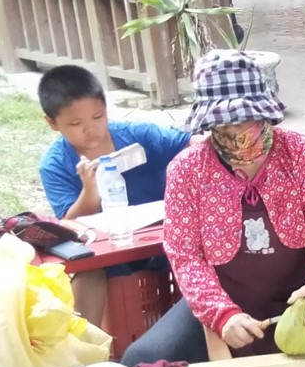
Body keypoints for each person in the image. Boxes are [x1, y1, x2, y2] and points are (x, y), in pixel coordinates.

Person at [120, 50, 305, 367]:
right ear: (210, 126)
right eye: (227, 129)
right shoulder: (187, 170)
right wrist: (220, 314)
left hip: (297, 297)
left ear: (265, 115)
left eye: (248, 123)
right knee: (140, 359)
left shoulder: (303, 154)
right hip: (222, 300)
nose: (240, 138)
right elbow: (186, 255)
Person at [36, 65, 193, 327]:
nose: (90, 129)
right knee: (92, 273)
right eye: (75, 123)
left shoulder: (140, 136)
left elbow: (190, 143)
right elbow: (69, 223)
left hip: (162, 242)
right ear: (52, 123)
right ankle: (97, 345)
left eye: (98, 117)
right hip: (110, 255)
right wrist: (90, 191)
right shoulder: (54, 165)